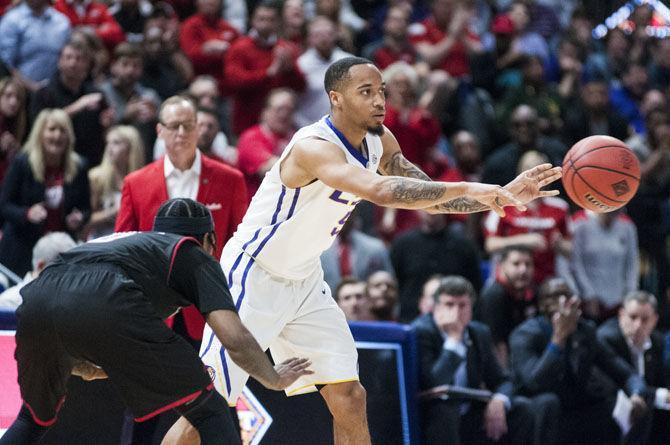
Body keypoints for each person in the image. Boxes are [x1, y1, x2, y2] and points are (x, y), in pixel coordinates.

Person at [165, 56, 562, 445]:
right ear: (336, 98)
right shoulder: (312, 147)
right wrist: (479, 189)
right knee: (209, 407)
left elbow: (427, 196)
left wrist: (503, 195)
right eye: (366, 92)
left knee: (350, 397)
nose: (379, 101)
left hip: (303, 280)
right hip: (254, 272)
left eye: (382, 92)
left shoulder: (380, 141)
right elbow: (381, 190)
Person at [0, 198, 312, 445]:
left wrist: (82, 361)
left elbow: (70, 306)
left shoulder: (127, 244)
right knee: (212, 412)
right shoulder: (192, 253)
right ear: (210, 240)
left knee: (32, 419)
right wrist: (273, 378)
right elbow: (234, 337)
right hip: (101, 296)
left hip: (37, 299)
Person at [115, 95, 247, 348]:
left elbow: (240, 243)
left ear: (198, 128)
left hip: (211, 306)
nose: (182, 132)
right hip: (153, 308)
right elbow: (123, 245)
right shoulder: (136, 182)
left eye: (189, 125)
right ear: (160, 131)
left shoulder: (230, 179)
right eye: (174, 126)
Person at [509, 277, 649, 445]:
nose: (562, 302)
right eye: (554, 297)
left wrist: (637, 394)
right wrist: (558, 339)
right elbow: (535, 383)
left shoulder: (584, 330)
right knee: (549, 402)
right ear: (541, 305)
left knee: (627, 405)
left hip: (574, 406)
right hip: (535, 405)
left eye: (565, 296)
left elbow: (624, 372)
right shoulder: (525, 334)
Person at [412, 275, 535, 444]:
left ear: (471, 308)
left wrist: (499, 400)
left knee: (522, 409)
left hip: (470, 412)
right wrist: (454, 341)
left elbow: (502, 380)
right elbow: (435, 382)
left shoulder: (479, 333)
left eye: (462, 305)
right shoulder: (420, 332)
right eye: (449, 305)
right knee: (444, 411)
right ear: (436, 308)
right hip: (434, 415)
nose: (456, 312)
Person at [0, 109, 90, 276]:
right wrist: (27, 213)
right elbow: (4, 205)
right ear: (40, 133)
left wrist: (79, 218)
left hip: (59, 250)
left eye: (62, 130)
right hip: (22, 249)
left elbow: (86, 208)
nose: (57, 136)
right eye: (52, 129)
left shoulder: (79, 166)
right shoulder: (22, 163)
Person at [597, 291, 670, 444]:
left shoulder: (657, 341)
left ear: (655, 320)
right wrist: (659, 395)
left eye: (645, 319)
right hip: (612, 404)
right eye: (632, 317)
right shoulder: (605, 339)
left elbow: (662, 379)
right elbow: (615, 384)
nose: (638, 325)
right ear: (621, 315)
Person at [477, 245, 536, 368]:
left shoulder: (532, 294)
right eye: (516, 264)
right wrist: (505, 379)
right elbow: (497, 344)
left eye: (528, 264)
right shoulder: (494, 296)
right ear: (502, 266)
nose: (523, 270)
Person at [86, 125, 145, 239]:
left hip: (130, 242)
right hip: (101, 241)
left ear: (131, 149)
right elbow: (87, 219)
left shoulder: (143, 180)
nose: (109, 147)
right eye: (108, 142)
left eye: (116, 143)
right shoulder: (96, 177)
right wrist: (113, 213)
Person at [0, 232, 76, 310]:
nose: (68, 278)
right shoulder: (8, 303)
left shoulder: (71, 302)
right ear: (41, 266)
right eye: (63, 270)